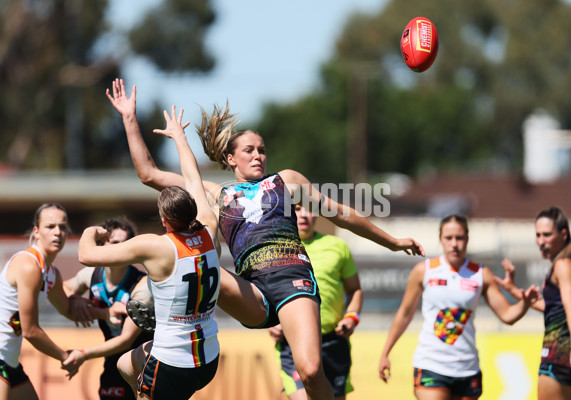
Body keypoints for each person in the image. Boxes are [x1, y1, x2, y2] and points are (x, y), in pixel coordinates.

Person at [106, 78, 424, 400]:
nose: (258, 155)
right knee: (197, 263)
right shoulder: (218, 195)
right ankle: (158, 324)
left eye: (262, 150)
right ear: (231, 160)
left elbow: (341, 214)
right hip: (252, 291)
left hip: (291, 280)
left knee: (311, 372)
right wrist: (129, 119)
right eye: (249, 150)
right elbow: (148, 173)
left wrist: (393, 242)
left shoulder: (286, 183)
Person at [78, 106, 222, 400]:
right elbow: (193, 179)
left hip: (173, 361)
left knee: (138, 375)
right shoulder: (209, 228)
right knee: (125, 364)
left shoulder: (156, 247)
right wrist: (180, 137)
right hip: (208, 357)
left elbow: (86, 255)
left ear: (165, 220)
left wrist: (93, 231)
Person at [378, 214, 540, 400]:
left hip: (467, 368)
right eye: (449, 238)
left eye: (459, 238)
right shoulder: (424, 271)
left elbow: (507, 315)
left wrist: (525, 304)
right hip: (431, 365)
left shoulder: (481, 274)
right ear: (441, 239)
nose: (454, 243)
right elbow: (404, 314)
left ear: (467, 239)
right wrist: (385, 353)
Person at [0, 203, 121, 400]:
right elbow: (30, 331)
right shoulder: (29, 266)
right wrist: (65, 357)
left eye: (63, 227)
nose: (58, 232)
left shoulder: (51, 274)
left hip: (9, 360)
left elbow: (68, 310)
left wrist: (106, 313)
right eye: (50, 226)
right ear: (36, 232)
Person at [496, 206, 571, 400]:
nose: (541, 242)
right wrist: (513, 290)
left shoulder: (562, 264)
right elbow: (554, 307)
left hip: (562, 349)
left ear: (563, 234)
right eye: (538, 235)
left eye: (547, 235)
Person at [268, 205, 363, 400]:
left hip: (333, 340)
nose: (304, 215)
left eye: (310, 209)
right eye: (297, 208)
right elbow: (262, 292)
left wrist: (352, 317)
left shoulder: (337, 246)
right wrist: (270, 321)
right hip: (293, 342)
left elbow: (355, 290)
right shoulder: (273, 248)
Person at [63, 217, 153, 400]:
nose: (119, 249)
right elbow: (63, 288)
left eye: (124, 244)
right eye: (114, 243)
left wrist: (83, 354)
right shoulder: (91, 275)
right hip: (112, 362)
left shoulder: (142, 287)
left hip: (142, 363)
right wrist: (75, 299)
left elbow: (125, 340)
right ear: (102, 245)